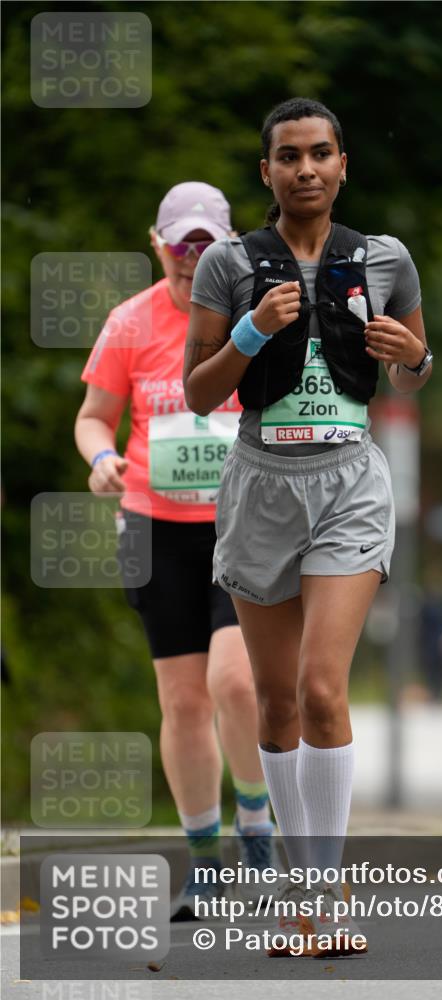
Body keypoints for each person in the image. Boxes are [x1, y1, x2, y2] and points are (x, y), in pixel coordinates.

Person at [183, 98, 432, 956]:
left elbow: (414, 371)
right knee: (277, 701)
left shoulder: (384, 257)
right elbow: (199, 393)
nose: (306, 169)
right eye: (288, 156)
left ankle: (328, 898)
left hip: (348, 484)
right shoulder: (228, 264)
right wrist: (252, 331)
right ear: (267, 171)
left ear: (342, 164)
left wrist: (413, 359)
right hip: (260, 486)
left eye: (320, 153)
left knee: (323, 689)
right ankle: (300, 888)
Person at [74, 182, 274, 921]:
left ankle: (256, 828)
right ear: (156, 245)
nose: (191, 258)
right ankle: (205, 862)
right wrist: (101, 459)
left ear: (229, 248)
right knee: (183, 701)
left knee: (236, 683)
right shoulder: (129, 322)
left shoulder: (255, 315)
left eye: (205, 245)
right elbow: (94, 417)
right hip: (152, 526)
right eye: (179, 244)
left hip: (242, 524)